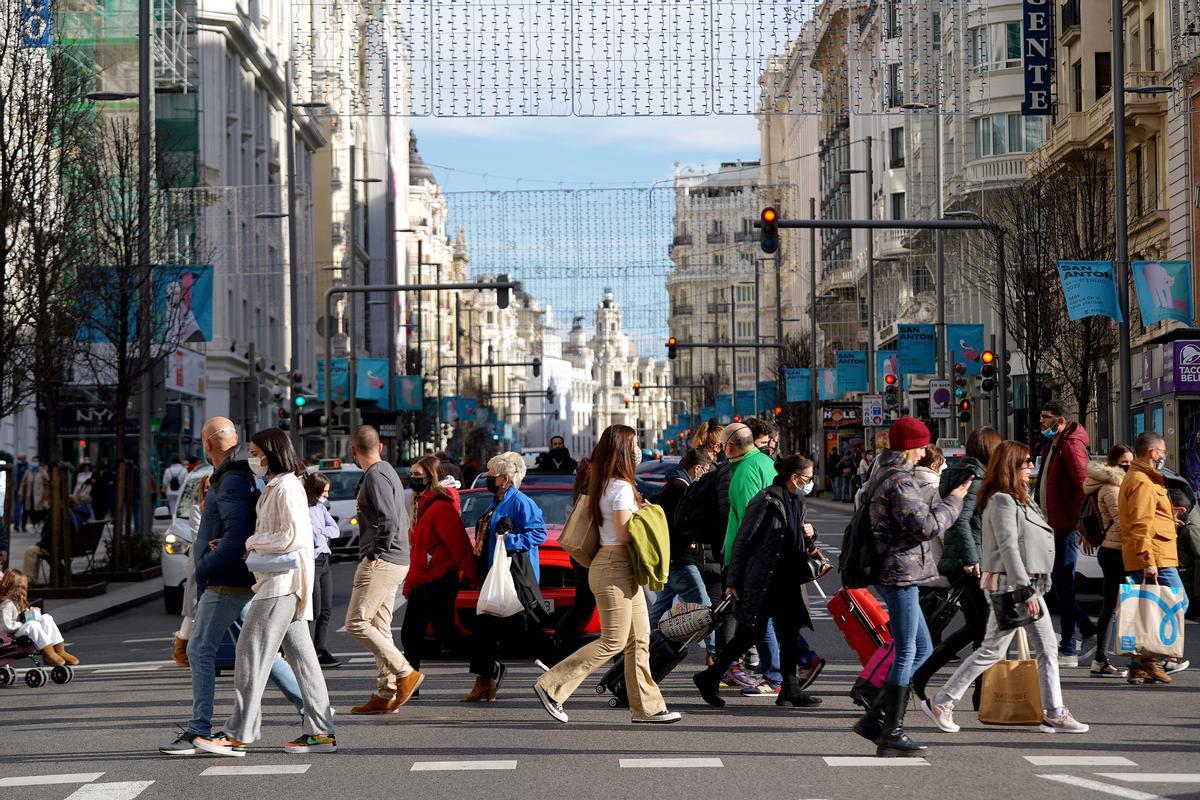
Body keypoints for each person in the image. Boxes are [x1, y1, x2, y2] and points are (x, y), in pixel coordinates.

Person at [159, 417, 306, 756]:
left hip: (226, 581)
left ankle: (199, 729)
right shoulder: (238, 475)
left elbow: (237, 536)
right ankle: (312, 711)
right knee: (263, 654)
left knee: (200, 650)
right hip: (242, 578)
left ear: (207, 443)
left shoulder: (230, 480)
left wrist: (205, 568)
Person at [923, 441, 1089, 735]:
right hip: (1012, 586)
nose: (1030, 467)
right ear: (1010, 465)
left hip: (1029, 584)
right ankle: (943, 701)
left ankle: (1055, 711)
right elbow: (1008, 547)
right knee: (992, 651)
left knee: (1047, 648)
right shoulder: (1001, 500)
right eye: (1025, 462)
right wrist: (1024, 592)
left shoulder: (1020, 496)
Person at [194, 428, 336, 757]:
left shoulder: (286, 487)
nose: (253, 458)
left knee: (250, 654)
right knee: (303, 660)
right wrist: (251, 546)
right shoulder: (279, 485)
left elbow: (292, 537)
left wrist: (249, 544)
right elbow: (279, 534)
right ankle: (321, 730)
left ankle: (238, 735)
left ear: (271, 452)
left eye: (257, 452)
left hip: (280, 585)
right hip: (281, 582)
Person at [534, 425, 681, 725]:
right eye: (635, 444)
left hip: (617, 566)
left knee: (640, 638)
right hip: (615, 565)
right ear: (625, 452)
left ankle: (647, 708)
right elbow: (627, 532)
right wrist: (648, 515)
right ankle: (552, 686)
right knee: (613, 641)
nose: (639, 450)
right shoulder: (621, 487)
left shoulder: (604, 483)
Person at [852, 416, 968, 757]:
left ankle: (876, 720)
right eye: (921, 446)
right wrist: (955, 499)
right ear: (912, 447)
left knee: (921, 646)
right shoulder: (899, 482)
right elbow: (926, 526)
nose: (924, 453)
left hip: (896, 571)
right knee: (908, 650)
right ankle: (890, 730)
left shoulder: (882, 475)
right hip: (899, 571)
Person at [694, 455, 823, 709]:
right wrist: (733, 580)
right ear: (794, 477)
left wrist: (811, 531)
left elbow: (795, 534)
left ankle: (789, 689)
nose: (810, 483)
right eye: (807, 478)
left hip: (787, 578)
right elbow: (743, 539)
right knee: (748, 635)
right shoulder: (765, 500)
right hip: (763, 579)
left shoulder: (797, 499)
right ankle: (710, 677)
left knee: (789, 632)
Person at [912, 428, 999, 704]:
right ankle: (978, 693)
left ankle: (923, 675)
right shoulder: (975, 478)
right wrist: (973, 559)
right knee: (985, 629)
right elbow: (960, 522)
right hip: (970, 563)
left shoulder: (968, 472)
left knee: (976, 627)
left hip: (965, 560)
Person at [344, 425, 419, 714]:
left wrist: (375, 553)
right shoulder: (386, 470)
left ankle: (404, 672)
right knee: (379, 626)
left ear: (353, 450)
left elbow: (388, 519)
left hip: (383, 560)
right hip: (396, 559)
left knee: (356, 622)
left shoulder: (375, 475)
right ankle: (386, 693)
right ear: (381, 447)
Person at [466, 452, 549, 701]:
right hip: (496, 574)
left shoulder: (520, 502)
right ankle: (485, 681)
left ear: (504, 478)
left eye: (491, 475)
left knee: (530, 631)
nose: (488, 478)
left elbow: (538, 533)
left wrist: (510, 540)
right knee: (484, 628)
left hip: (514, 577)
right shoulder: (498, 500)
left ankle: (560, 674)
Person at [1119, 431, 1190, 686]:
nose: (1163, 457)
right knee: (1177, 604)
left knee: (1148, 611)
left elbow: (1148, 516)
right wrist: (1148, 560)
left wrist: (1169, 518)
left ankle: (1139, 666)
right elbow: (1140, 523)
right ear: (1152, 452)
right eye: (1162, 452)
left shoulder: (1144, 479)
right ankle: (1149, 659)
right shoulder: (1141, 480)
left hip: (1157, 554)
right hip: (1155, 558)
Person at [401, 455, 479, 674]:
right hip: (424, 579)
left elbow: (459, 545)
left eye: (417, 475)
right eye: (411, 474)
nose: (412, 479)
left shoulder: (440, 507)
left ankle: (489, 667)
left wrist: (475, 577)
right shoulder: (422, 504)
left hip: (439, 580)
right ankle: (410, 682)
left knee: (445, 635)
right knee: (414, 634)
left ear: (431, 476)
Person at [1035, 399, 1098, 667]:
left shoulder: (1071, 446)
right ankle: (1074, 642)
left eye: (1046, 417)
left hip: (1067, 528)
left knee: (1062, 589)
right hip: (1053, 525)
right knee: (1060, 588)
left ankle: (1075, 642)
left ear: (1061, 421)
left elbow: (1084, 487)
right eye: (1041, 417)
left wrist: (1082, 527)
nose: (1042, 422)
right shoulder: (1054, 443)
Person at [647, 448, 714, 650]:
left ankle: (641, 645)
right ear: (697, 468)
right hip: (681, 558)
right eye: (705, 470)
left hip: (670, 557)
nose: (705, 475)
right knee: (706, 609)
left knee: (660, 608)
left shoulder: (672, 486)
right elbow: (681, 524)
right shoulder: (681, 489)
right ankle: (718, 656)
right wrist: (694, 538)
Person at [1083, 445, 1133, 678]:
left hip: (1110, 550)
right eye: (1124, 462)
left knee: (1112, 607)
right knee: (1128, 606)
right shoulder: (1113, 488)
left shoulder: (1106, 485)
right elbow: (1122, 522)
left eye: (1131, 462)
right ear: (1114, 464)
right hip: (1117, 551)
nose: (1129, 466)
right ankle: (1139, 660)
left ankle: (1100, 659)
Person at [172, 474, 212, 668]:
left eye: (211, 485)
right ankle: (181, 650)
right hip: (200, 560)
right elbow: (200, 536)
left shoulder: (224, 507)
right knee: (194, 606)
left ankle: (190, 647)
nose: (208, 489)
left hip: (215, 559)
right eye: (205, 486)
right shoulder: (197, 510)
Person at [0, 569, 79, 666]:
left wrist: (30, 613)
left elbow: (21, 616)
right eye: (21, 588)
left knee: (46, 618)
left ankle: (59, 651)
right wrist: (23, 622)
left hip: (22, 629)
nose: (23, 591)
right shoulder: (7, 604)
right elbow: (6, 626)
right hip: (13, 635)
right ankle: (49, 653)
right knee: (32, 625)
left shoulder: (18, 601)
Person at [304, 472, 342, 667]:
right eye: (324, 491)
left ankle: (321, 649)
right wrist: (320, 534)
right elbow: (313, 538)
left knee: (326, 608)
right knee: (314, 609)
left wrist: (320, 532)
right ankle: (300, 648)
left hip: (325, 559)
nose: (326, 495)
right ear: (315, 490)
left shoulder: (320, 508)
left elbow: (335, 530)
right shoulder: (303, 509)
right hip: (313, 561)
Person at [18, 458, 48, 533]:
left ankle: (38, 525)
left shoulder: (42, 471)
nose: (35, 463)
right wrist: (21, 492)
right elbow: (23, 482)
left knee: (39, 511)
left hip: (39, 495)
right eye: (33, 461)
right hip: (29, 495)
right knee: (31, 511)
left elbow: (48, 480)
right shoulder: (28, 471)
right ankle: (34, 525)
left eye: (36, 461)